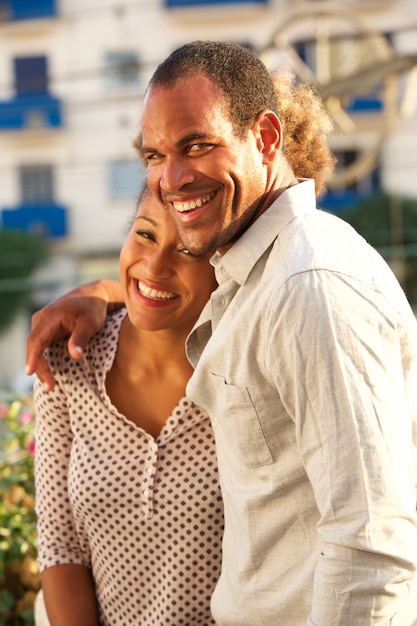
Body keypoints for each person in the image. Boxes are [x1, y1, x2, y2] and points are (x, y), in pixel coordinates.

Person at [27, 41, 417, 625]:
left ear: (264, 137)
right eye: (155, 155)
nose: (172, 178)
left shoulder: (309, 286)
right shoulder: (250, 278)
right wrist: (105, 293)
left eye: (198, 145)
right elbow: (166, 288)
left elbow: (372, 547)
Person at [34, 185, 222, 625]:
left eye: (190, 252)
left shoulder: (245, 372)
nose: (155, 266)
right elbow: (60, 545)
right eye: (145, 235)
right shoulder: (68, 362)